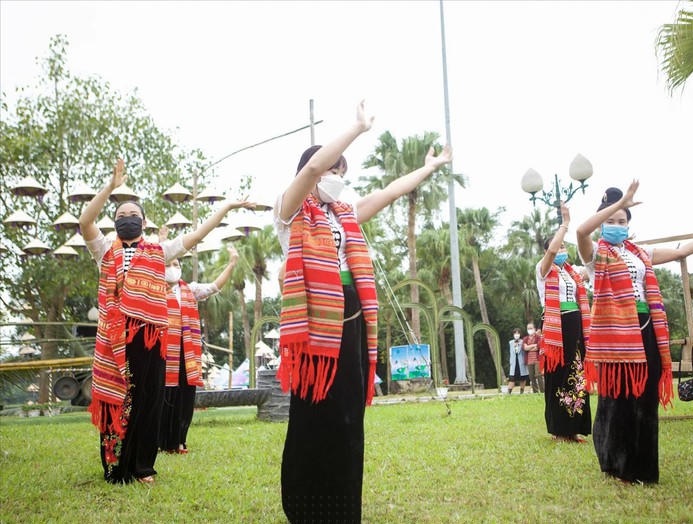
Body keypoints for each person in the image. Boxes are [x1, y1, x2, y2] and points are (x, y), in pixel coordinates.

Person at [274, 100, 452, 523]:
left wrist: (431, 167)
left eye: (342, 172)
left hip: (351, 326)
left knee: (349, 419)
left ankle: (341, 508)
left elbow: (390, 192)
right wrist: (356, 129)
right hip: (316, 332)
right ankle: (305, 505)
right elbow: (313, 170)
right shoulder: (289, 210)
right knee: (313, 417)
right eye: (333, 170)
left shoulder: (344, 215)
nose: (337, 177)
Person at [79, 158, 254, 484]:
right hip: (114, 342)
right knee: (119, 398)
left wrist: (227, 207)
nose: (127, 220)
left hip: (150, 340)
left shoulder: (159, 251)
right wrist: (111, 188)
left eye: (133, 216)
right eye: (121, 217)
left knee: (148, 401)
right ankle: (116, 466)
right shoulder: (104, 250)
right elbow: (85, 220)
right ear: (113, 224)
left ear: (144, 223)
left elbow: (198, 234)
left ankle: (143, 466)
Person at [576, 182, 693, 484]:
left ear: (629, 225)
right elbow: (580, 231)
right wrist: (618, 204)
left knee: (645, 400)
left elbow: (683, 251)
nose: (617, 225)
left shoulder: (640, 253)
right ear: (603, 222)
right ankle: (617, 465)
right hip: (617, 339)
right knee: (617, 401)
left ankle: (643, 468)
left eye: (622, 221)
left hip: (647, 334)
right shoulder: (594, 255)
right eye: (611, 221)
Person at [159, 241, 239, 454]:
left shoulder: (189, 290)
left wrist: (231, 264)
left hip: (187, 353)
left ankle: (179, 440)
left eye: (176, 264)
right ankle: (160, 442)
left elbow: (214, 287)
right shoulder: (153, 289)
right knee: (164, 396)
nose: (173, 268)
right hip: (163, 352)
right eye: (168, 264)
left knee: (185, 397)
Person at [536, 205, 591, 442]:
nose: (562, 249)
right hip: (555, 329)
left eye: (564, 246)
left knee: (576, 372)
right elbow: (549, 254)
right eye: (558, 245)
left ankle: (574, 428)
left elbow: (593, 267)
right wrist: (565, 224)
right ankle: (559, 430)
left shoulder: (573, 272)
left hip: (575, 325)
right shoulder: (543, 269)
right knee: (558, 374)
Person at [522, 321, 543, 393]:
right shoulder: (525, 338)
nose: (529, 330)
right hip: (529, 360)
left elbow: (538, 347)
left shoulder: (538, 337)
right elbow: (525, 348)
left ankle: (543, 391)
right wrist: (533, 345)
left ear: (534, 329)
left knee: (538, 375)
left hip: (537, 359)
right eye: (528, 328)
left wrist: (529, 347)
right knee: (531, 377)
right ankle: (535, 391)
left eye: (531, 328)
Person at [507, 328, 529, 394]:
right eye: (515, 333)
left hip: (521, 362)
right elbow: (511, 352)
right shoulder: (510, 342)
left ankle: (521, 392)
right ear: (513, 334)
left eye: (518, 333)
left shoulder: (523, 341)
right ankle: (509, 392)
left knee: (523, 378)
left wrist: (518, 345)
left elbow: (524, 350)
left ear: (520, 334)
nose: (516, 335)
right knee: (512, 378)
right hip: (514, 363)